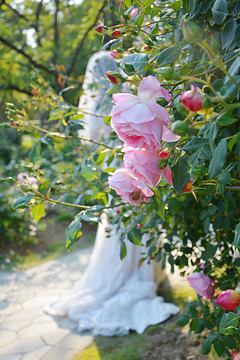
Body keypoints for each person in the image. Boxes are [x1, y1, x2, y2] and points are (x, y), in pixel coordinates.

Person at [44, 51, 179, 336]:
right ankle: (146, 277)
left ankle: (144, 276)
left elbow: (93, 139)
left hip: (119, 168)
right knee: (137, 222)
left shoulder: (113, 109)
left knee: (124, 225)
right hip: (130, 165)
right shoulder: (127, 104)